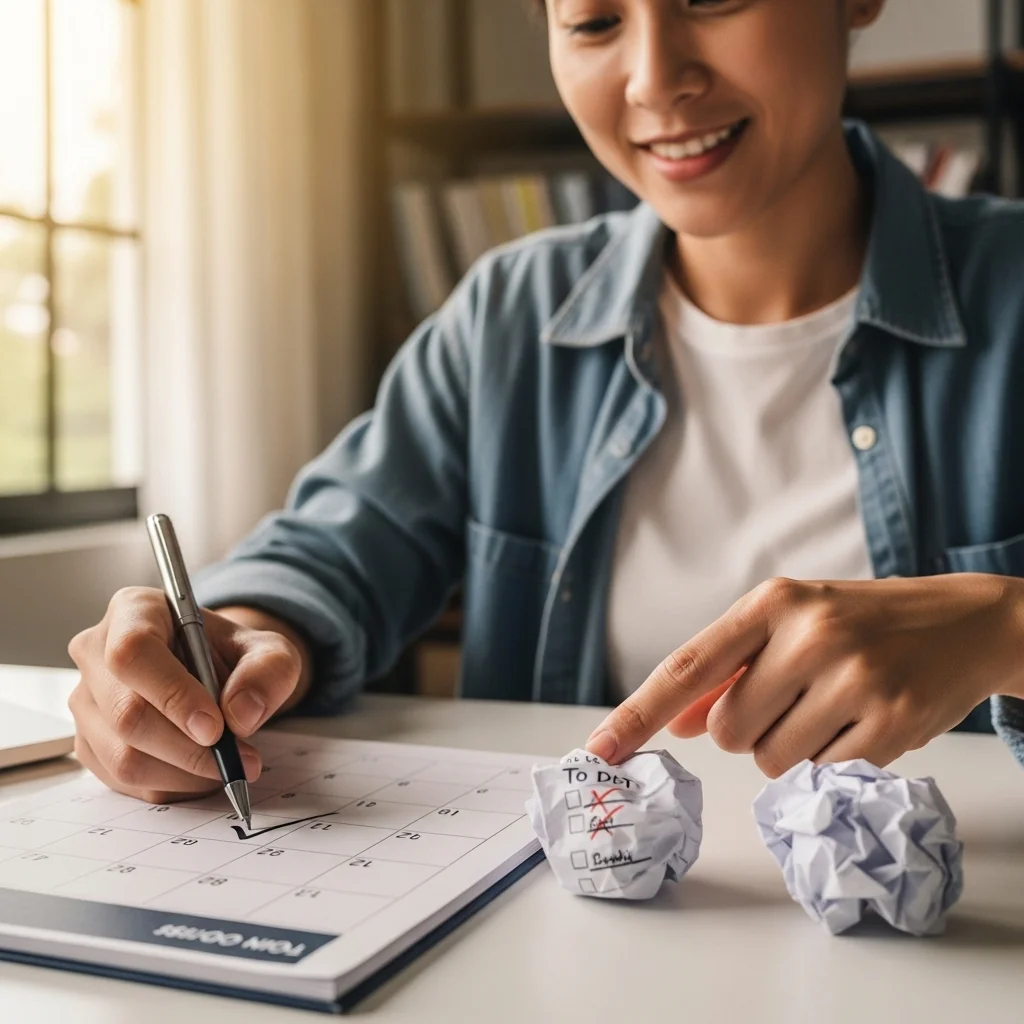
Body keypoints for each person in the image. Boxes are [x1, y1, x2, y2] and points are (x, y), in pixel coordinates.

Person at [68, 0, 1024, 805]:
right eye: (596, 20)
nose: (654, 78)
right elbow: (327, 551)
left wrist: (1006, 631)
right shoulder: (509, 316)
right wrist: (229, 642)